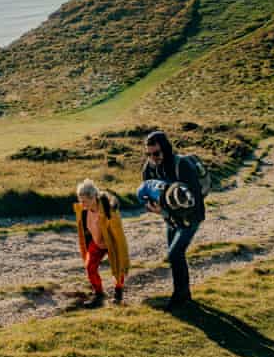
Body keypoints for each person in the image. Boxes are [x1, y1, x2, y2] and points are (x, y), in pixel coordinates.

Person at [141, 131, 205, 310]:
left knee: (175, 254)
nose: (152, 158)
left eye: (156, 153)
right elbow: (147, 192)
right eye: (148, 154)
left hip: (190, 217)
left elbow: (195, 200)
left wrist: (166, 210)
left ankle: (179, 297)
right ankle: (184, 294)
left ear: (166, 149)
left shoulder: (182, 165)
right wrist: (152, 207)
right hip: (170, 218)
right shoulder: (149, 168)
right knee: (175, 255)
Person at [73, 178, 131, 306]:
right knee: (90, 267)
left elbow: (118, 233)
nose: (82, 204)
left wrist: (122, 252)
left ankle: (118, 292)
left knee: (118, 265)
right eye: (80, 200)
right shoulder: (83, 210)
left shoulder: (109, 210)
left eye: (84, 201)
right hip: (96, 242)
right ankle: (98, 294)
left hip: (111, 242)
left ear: (93, 197)